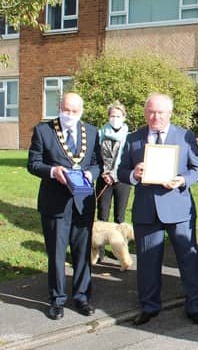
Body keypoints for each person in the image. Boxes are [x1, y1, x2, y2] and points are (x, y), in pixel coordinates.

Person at [117, 93, 198, 327]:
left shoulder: (184, 136)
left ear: (169, 113)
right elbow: (120, 172)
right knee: (147, 262)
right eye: (151, 111)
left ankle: (195, 306)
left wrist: (182, 180)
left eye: (160, 112)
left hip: (178, 208)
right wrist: (133, 174)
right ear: (145, 113)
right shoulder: (133, 138)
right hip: (146, 210)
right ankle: (149, 306)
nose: (155, 116)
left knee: (189, 260)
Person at [27, 92, 101, 320]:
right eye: (66, 110)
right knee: (57, 254)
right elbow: (33, 163)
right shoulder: (43, 131)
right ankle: (57, 300)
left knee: (82, 254)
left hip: (83, 201)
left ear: (82, 111)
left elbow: (98, 162)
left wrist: (91, 173)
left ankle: (81, 297)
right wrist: (52, 171)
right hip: (55, 203)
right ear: (59, 107)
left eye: (74, 111)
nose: (70, 115)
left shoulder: (91, 131)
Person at [96, 101, 131, 224]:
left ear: (123, 117)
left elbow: (130, 159)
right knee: (102, 213)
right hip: (103, 178)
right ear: (108, 117)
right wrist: (104, 173)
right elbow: (95, 157)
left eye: (118, 116)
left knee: (120, 216)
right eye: (112, 116)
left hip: (122, 180)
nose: (115, 119)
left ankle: (119, 242)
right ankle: (99, 242)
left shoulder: (129, 137)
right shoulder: (99, 134)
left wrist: (115, 173)